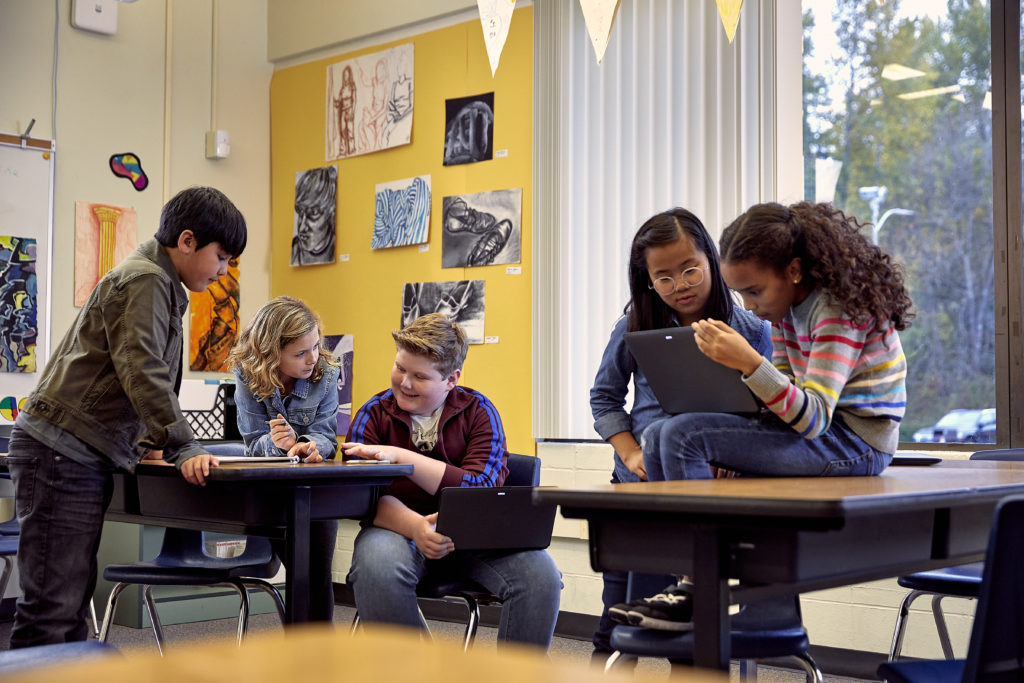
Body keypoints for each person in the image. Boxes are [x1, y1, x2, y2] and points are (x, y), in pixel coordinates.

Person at [620, 200, 911, 631]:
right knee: (659, 432)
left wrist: (749, 363)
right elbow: (785, 401)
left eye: (754, 292)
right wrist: (740, 438)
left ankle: (699, 586)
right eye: (741, 294)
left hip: (856, 443)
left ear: (793, 271)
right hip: (822, 436)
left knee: (681, 435)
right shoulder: (786, 310)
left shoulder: (837, 312)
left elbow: (812, 418)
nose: (750, 306)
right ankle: (687, 579)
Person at [6, 186, 247, 647]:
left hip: (68, 450)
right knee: (51, 612)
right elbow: (143, 370)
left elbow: (128, 373)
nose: (223, 270)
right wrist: (182, 444)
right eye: (222, 257)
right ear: (189, 241)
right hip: (61, 451)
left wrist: (150, 440)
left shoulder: (157, 280)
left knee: (68, 606)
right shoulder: (147, 280)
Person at [589, 208, 772, 659]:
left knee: (687, 624)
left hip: (705, 495)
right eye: (664, 277)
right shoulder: (636, 324)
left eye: (690, 269)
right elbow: (604, 398)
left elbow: (765, 411)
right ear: (648, 280)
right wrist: (630, 454)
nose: (680, 285)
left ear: (711, 260)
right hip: (638, 488)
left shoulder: (750, 329)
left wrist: (737, 459)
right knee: (617, 618)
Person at [342, 313, 562, 650]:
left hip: (475, 537)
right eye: (400, 368)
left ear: (451, 379)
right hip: (397, 531)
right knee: (376, 568)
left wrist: (402, 458)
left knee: (541, 576)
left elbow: (480, 491)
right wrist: (417, 527)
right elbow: (360, 495)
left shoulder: (479, 411)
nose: (405, 383)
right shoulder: (374, 413)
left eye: (420, 376)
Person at [227, 295, 342, 622]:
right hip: (269, 494)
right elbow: (252, 444)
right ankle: (300, 659)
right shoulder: (248, 374)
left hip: (314, 492)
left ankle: (318, 662)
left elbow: (327, 435)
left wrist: (306, 445)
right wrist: (279, 446)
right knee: (300, 572)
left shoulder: (326, 374)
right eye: (300, 353)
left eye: (316, 346)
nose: (313, 358)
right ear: (271, 353)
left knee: (315, 576)